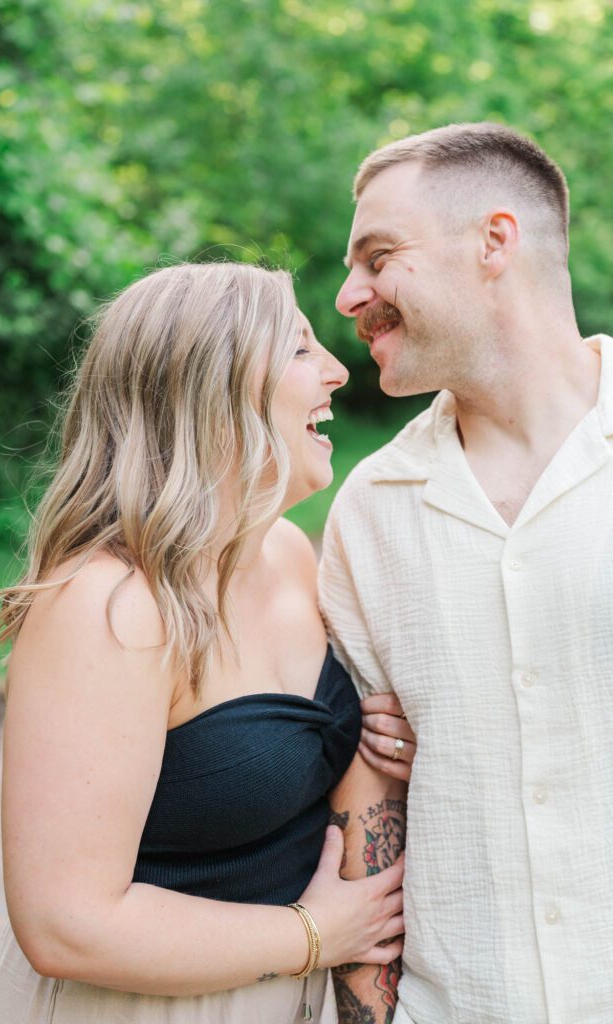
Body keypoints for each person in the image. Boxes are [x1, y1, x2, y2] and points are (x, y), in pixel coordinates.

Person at [0, 261, 409, 1024]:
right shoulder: (108, 604)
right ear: (211, 389)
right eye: (302, 349)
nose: (339, 371)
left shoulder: (283, 552)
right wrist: (312, 934)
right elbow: (64, 926)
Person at [319, 122, 613, 1024]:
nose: (346, 295)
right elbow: (370, 805)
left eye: (378, 256)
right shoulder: (370, 511)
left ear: (494, 241)